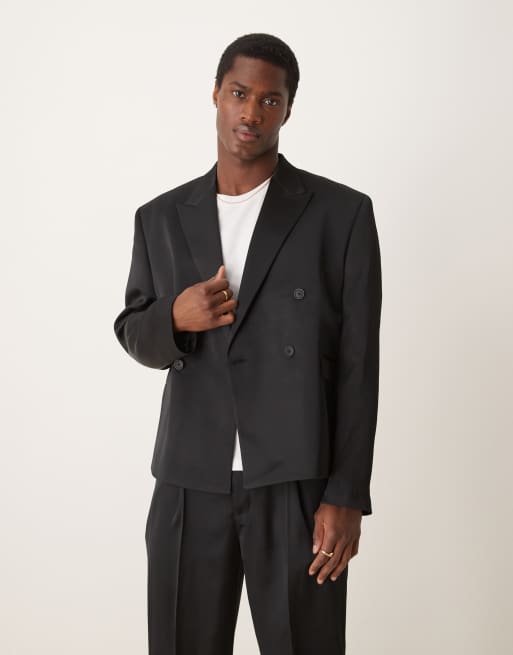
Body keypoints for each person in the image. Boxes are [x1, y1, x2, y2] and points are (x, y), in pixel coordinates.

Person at [113, 32, 382, 655]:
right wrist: (174, 317)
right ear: (215, 95)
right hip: (189, 478)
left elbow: (358, 366)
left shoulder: (340, 215)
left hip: (296, 481)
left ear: (288, 110)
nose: (251, 112)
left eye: (270, 100)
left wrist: (346, 494)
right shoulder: (160, 217)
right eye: (239, 94)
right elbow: (133, 331)